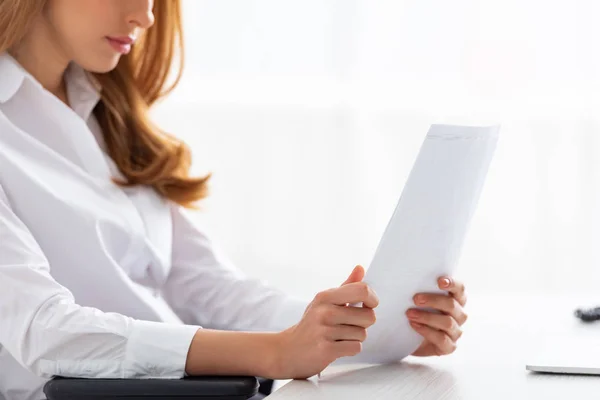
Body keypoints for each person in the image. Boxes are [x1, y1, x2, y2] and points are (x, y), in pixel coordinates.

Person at [0, 1, 469, 399]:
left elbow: (208, 287)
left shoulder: (107, 118)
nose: (145, 16)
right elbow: (43, 331)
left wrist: (371, 334)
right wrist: (276, 352)